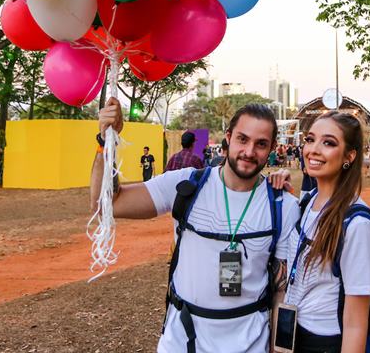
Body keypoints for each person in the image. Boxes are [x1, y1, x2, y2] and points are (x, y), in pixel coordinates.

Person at [91, 98, 299, 353]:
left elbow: (281, 295)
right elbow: (108, 204)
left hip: (250, 345)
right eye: (242, 139)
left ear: (272, 148)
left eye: (261, 144)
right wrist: (106, 142)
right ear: (228, 137)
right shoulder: (187, 185)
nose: (249, 151)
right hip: (182, 342)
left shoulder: (283, 205)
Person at [283, 111, 370, 352]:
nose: (313, 149)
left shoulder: (356, 223)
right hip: (295, 334)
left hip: (325, 342)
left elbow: (356, 321)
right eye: (310, 139)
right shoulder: (307, 202)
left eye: (329, 143)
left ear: (349, 156)